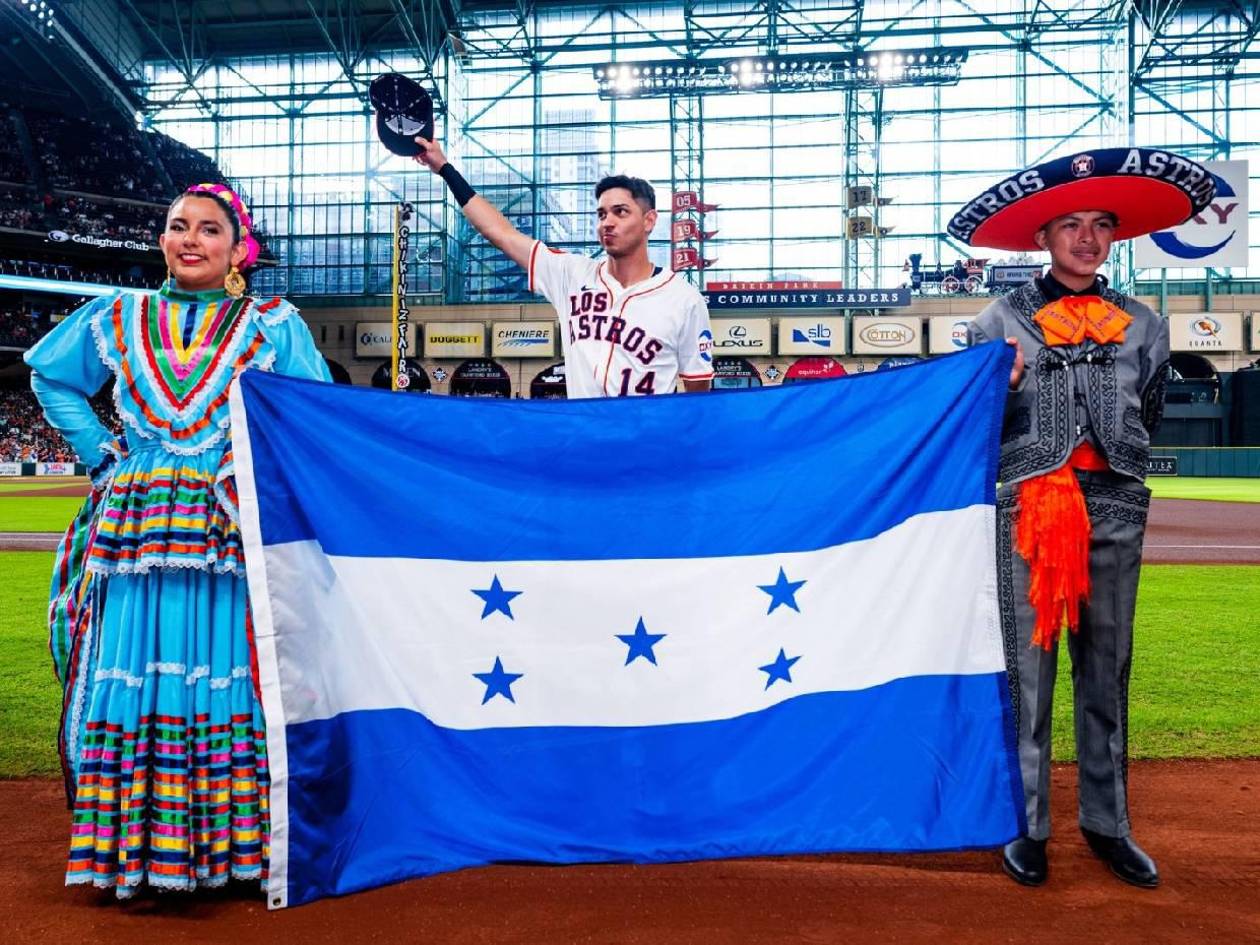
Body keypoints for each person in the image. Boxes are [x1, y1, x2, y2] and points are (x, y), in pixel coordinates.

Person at [25, 182, 331, 898]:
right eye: (177, 226)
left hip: (227, 515)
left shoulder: (274, 323)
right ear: (162, 239)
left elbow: (314, 407)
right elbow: (50, 375)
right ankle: (135, 847)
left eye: (208, 229)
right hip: (138, 520)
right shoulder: (119, 315)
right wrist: (101, 450)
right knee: (138, 662)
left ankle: (226, 853)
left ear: (236, 249)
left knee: (228, 662)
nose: (190, 239)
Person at [951, 147, 1217, 890]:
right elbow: (972, 427)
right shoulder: (996, 320)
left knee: (1108, 669)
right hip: (1028, 513)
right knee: (1027, 677)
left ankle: (1108, 824)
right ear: (1044, 235)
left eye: (1101, 225)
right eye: (1071, 224)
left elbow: (1150, 412)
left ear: (1114, 237)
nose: (1088, 238)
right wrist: (997, 392)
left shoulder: (1142, 323)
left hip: (1115, 507)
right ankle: (1028, 826)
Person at [413, 138, 713, 397]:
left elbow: (697, 392)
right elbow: (500, 232)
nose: (607, 222)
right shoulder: (570, 274)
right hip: (583, 440)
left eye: (620, 212)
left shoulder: (684, 298)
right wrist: (444, 168)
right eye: (601, 214)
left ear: (649, 220)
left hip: (648, 446)